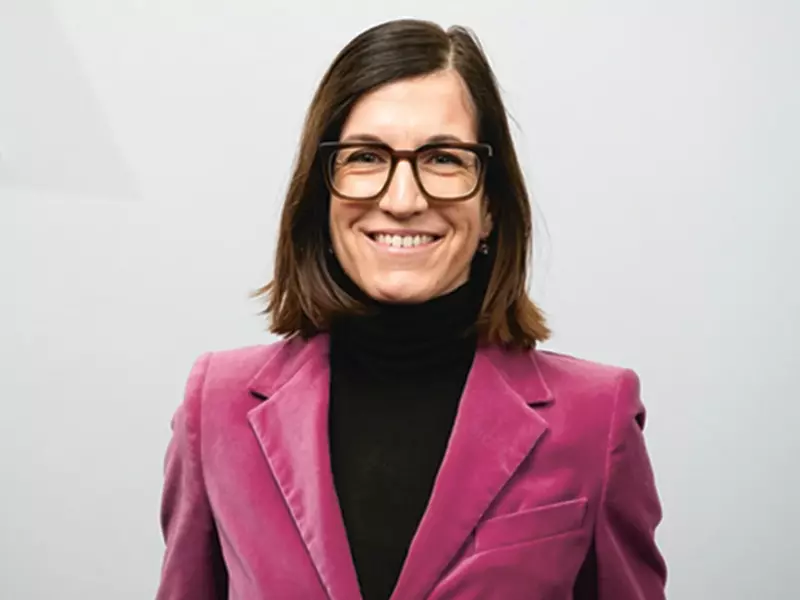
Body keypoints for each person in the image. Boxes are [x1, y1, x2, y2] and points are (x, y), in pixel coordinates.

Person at [155, 18, 667, 600]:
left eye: (444, 159)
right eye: (366, 157)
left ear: (492, 204)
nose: (403, 200)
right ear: (322, 194)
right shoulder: (216, 405)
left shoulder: (596, 419)